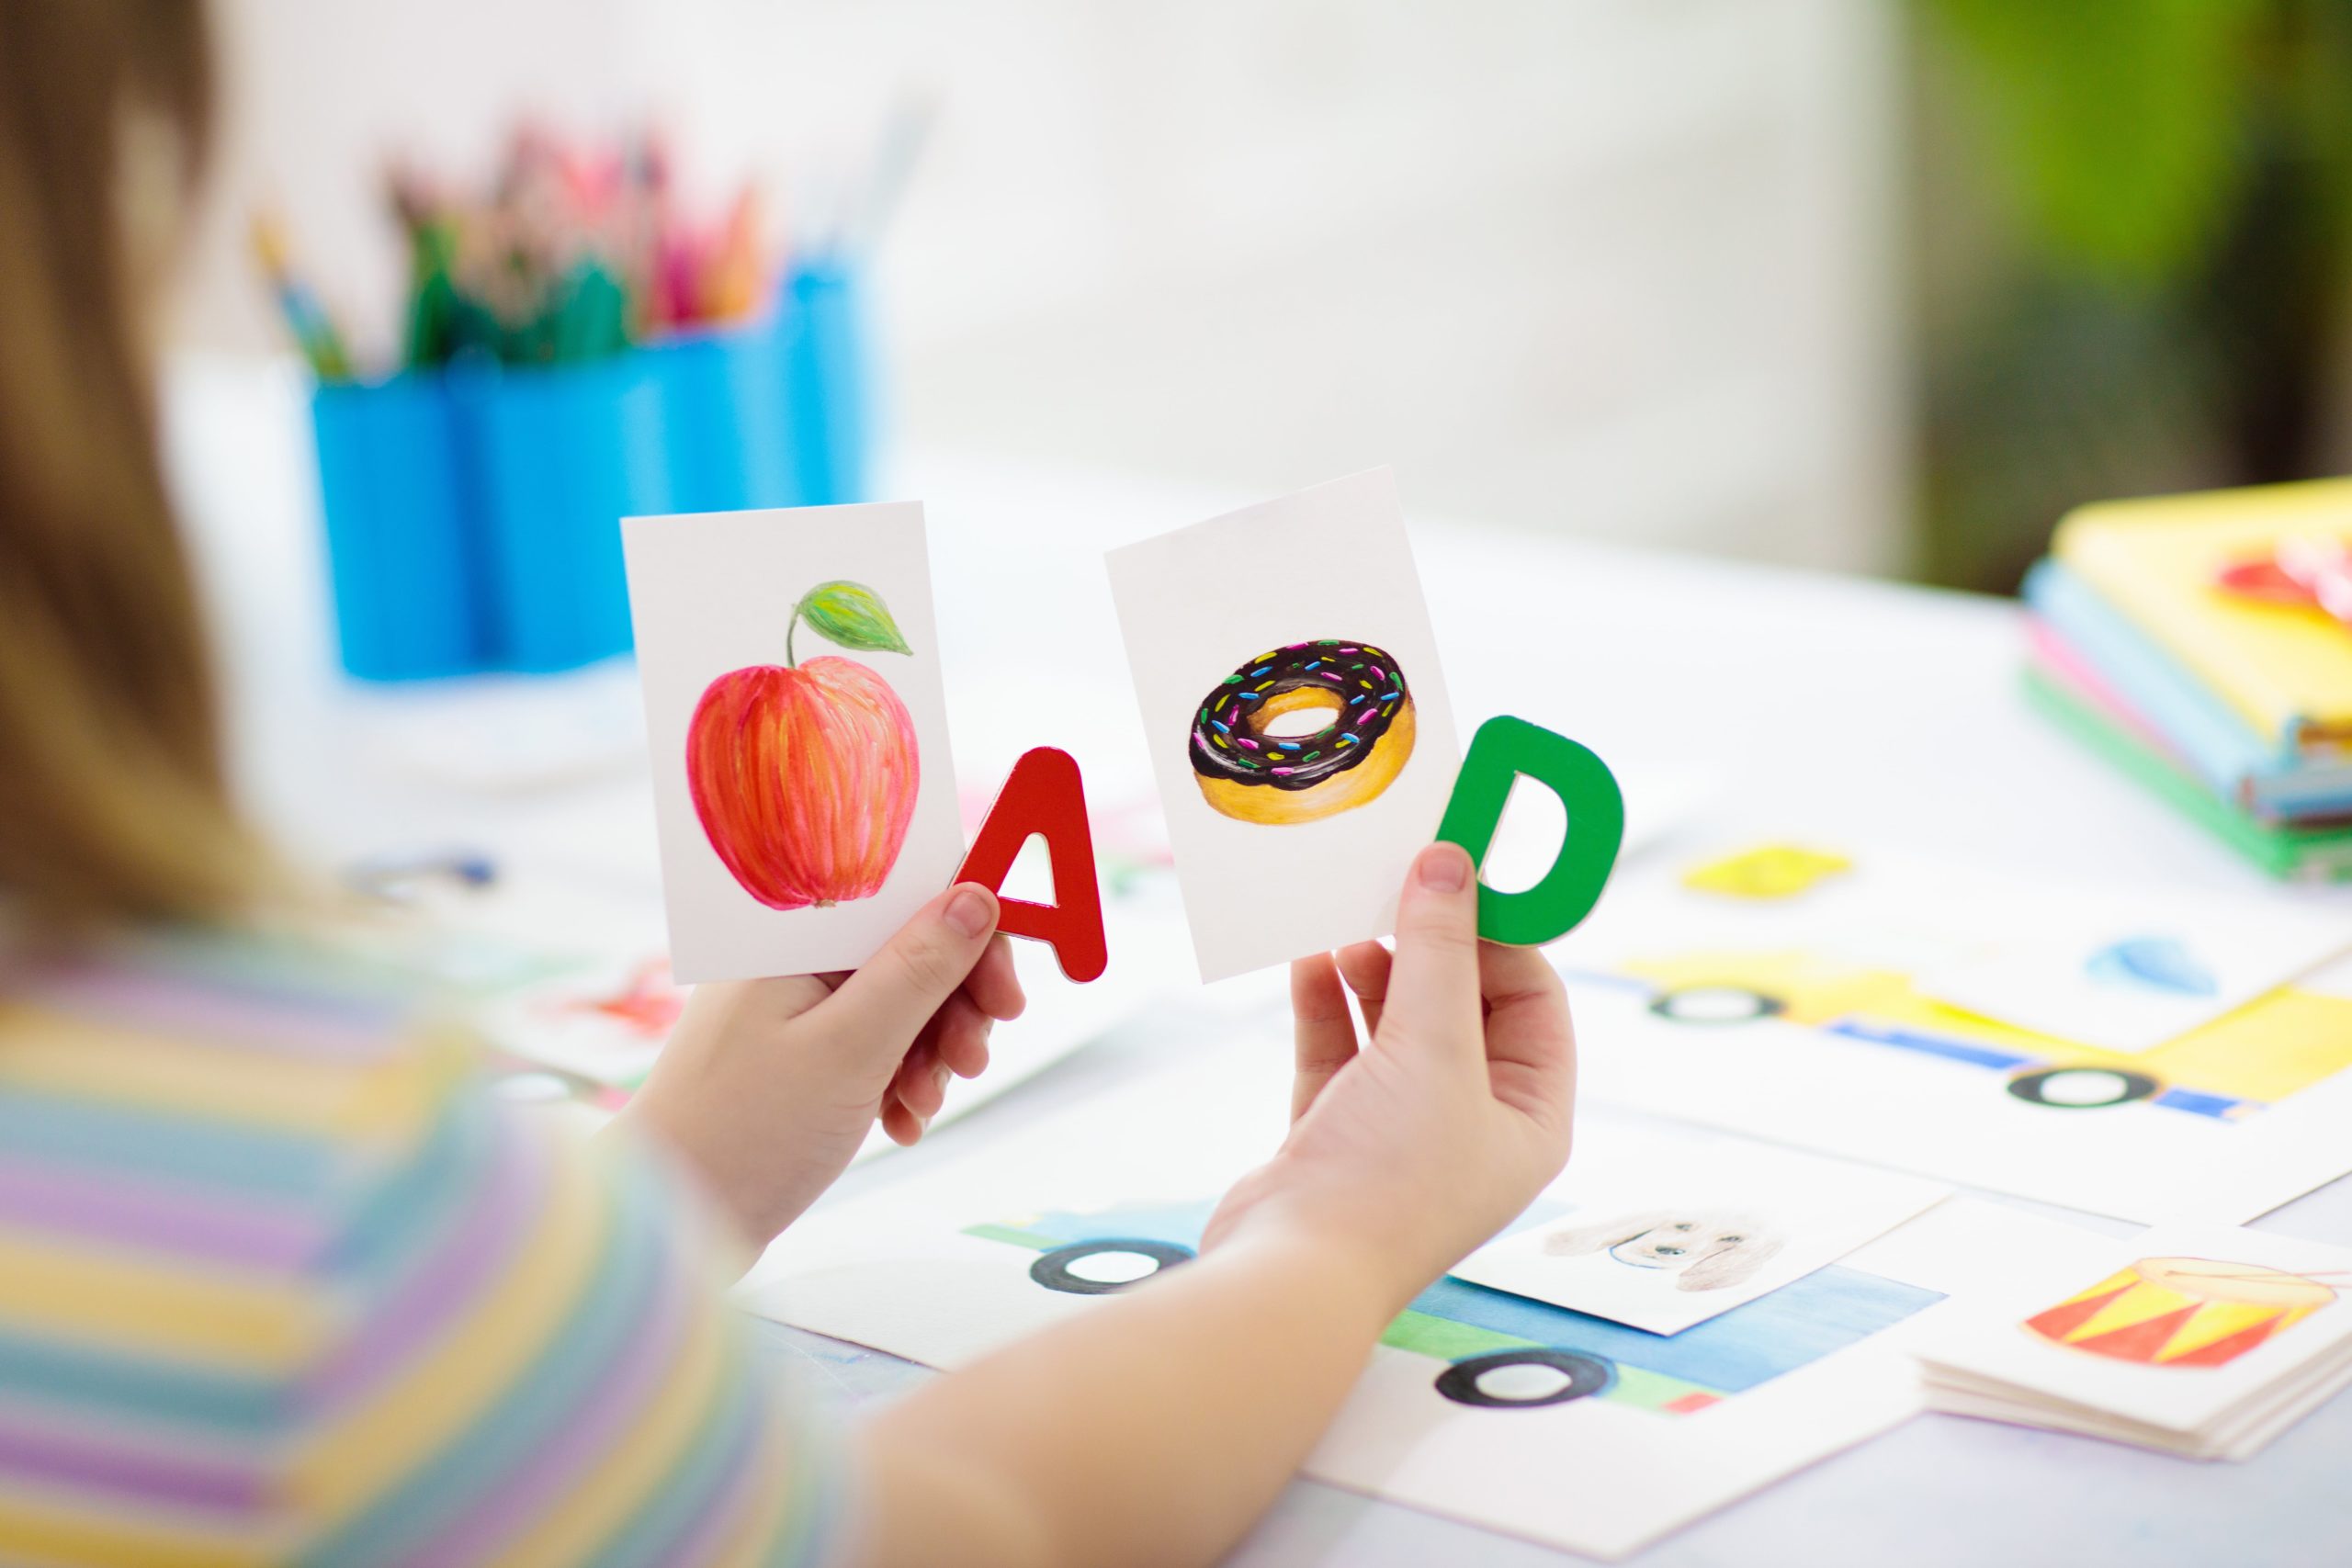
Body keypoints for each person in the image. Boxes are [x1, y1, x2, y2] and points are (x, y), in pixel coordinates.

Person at [0, 6, 1577, 1565]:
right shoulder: (317, 1206)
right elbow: (950, 1538)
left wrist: (675, 1182)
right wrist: (1336, 1230)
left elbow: (459, 1451)